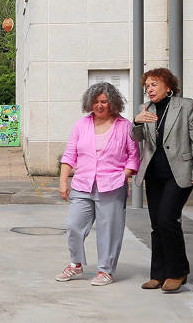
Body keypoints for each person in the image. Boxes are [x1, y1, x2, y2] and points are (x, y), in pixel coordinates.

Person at [56, 82, 139, 286]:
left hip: (112, 186)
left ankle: (105, 270)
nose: (99, 105)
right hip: (82, 184)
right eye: (95, 101)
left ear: (113, 103)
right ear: (89, 103)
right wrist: (63, 181)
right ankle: (76, 264)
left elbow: (134, 156)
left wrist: (124, 174)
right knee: (73, 225)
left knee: (109, 230)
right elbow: (70, 154)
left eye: (104, 101)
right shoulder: (81, 124)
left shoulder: (125, 125)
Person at [131, 68, 193, 293]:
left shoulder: (186, 106)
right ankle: (158, 274)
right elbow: (137, 139)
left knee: (167, 220)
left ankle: (177, 271)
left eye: (154, 84)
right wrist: (136, 122)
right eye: (147, 86)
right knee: (156, 225)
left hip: (179, 172)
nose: (149, 89)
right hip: (154, 174)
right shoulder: (145, 109)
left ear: (168, 86)